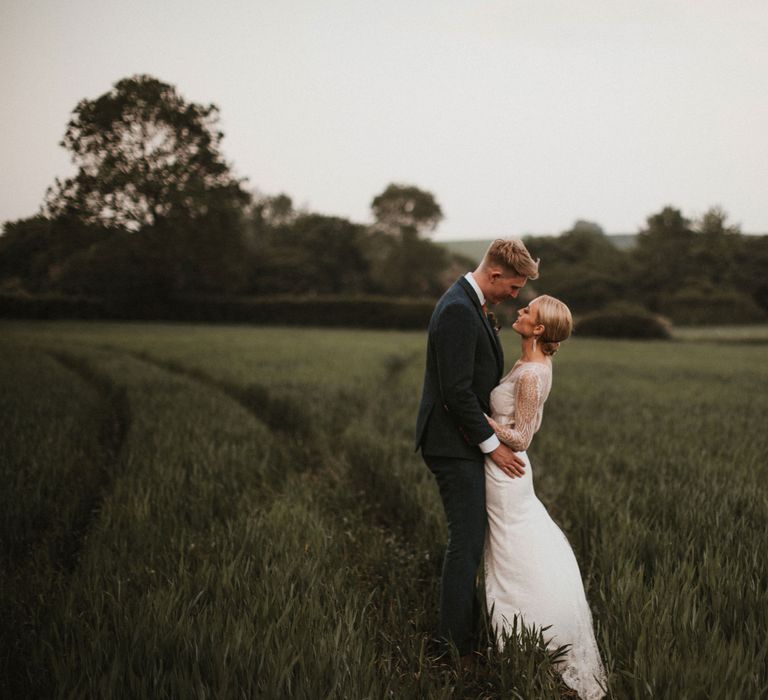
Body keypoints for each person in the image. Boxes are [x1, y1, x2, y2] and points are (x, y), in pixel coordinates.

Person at [414, 238, 540, 666]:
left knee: (469, 539)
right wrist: (493, 448)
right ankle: (454, 650)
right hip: (452, 444)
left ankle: (466, 635)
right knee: (465, 542)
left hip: (462, 440)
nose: (515, 295)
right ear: (495, 273)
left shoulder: (472, 303)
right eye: (513, 286)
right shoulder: (457, 310)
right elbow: (456, 392)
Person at [484, 294, 606, 699]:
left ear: (538, 329)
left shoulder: (534, 373)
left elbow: (521, 436)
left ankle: (529, 634)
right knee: (509, 551)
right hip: (501, 468)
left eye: (527, 312)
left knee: (510, 553)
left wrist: (479, 419)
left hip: (506, 471)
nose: (519, 311)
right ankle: (520, 632)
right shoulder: (528, 362)